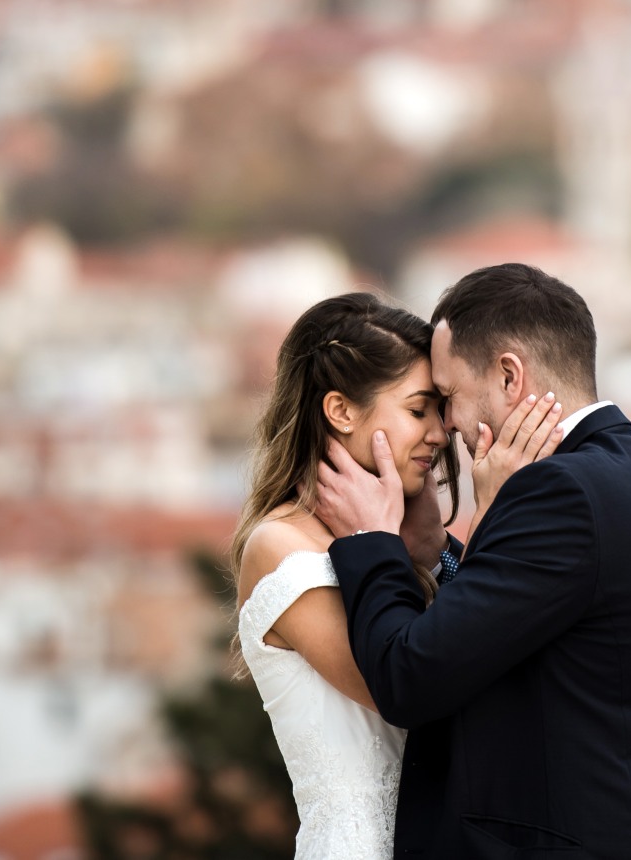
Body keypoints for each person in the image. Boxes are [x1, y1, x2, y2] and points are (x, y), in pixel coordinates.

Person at [317, 263, 631, 860]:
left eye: (448, 397)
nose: (446, 428)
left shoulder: (558, 493)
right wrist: (436, 553)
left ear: (509, 376)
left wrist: (372, 540)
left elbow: (409, 678)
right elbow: (516, 626)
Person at [232, 291, 564, 860]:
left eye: (440, 408)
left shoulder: (395, 540)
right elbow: (419, 693)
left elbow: (466, 645)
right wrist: (491, 517)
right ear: (340, 411)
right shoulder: (280, 548)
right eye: (418, 410)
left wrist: (437, 554)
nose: (440, 432)